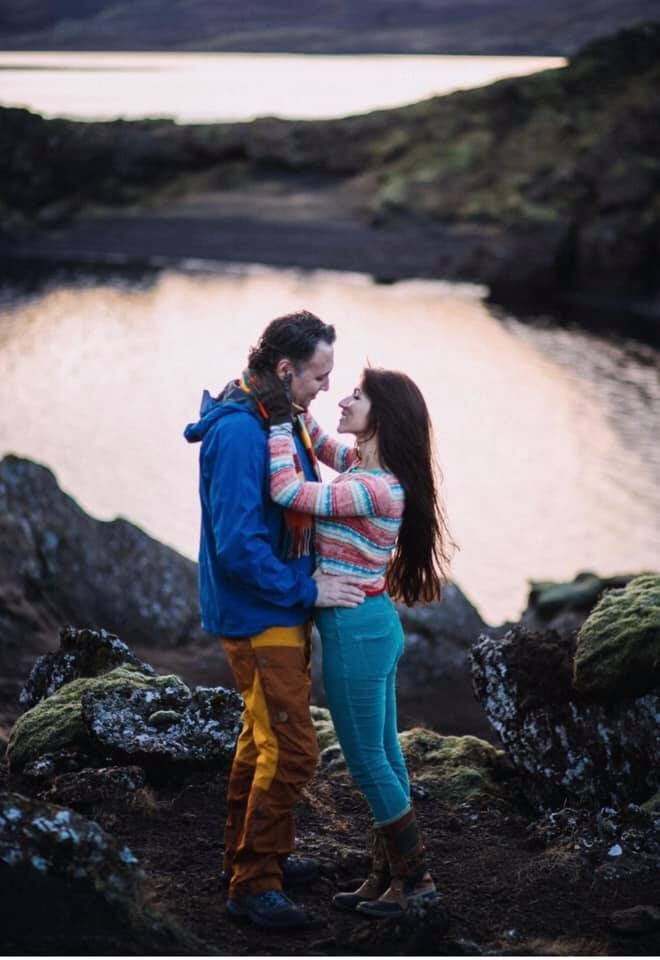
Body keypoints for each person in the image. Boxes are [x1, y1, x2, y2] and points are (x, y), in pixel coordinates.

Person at [184, 310, 365, 931]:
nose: (324, 389)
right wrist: (308, 584)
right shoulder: (241, 433)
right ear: (285, 369)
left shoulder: (278, 417)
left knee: (260, 739)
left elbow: (329, 464)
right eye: (318, 376)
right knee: (292, 751)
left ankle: (254, 856)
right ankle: (252, 883)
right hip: (259, 613)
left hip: (274, 610)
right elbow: (237, 547)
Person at [261, 364, 453, 918]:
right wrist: (297, 408)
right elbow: (323, 445)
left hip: (356, 633)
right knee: (387, 754)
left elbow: (288, 491)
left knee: (367, 760)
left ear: (382, 417)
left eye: (357, 395)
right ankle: (387, 877)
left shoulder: (373, 488)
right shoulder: (369, 467)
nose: (343, 398)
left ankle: (418, 885)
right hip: (374, 625)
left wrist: (275, 424)